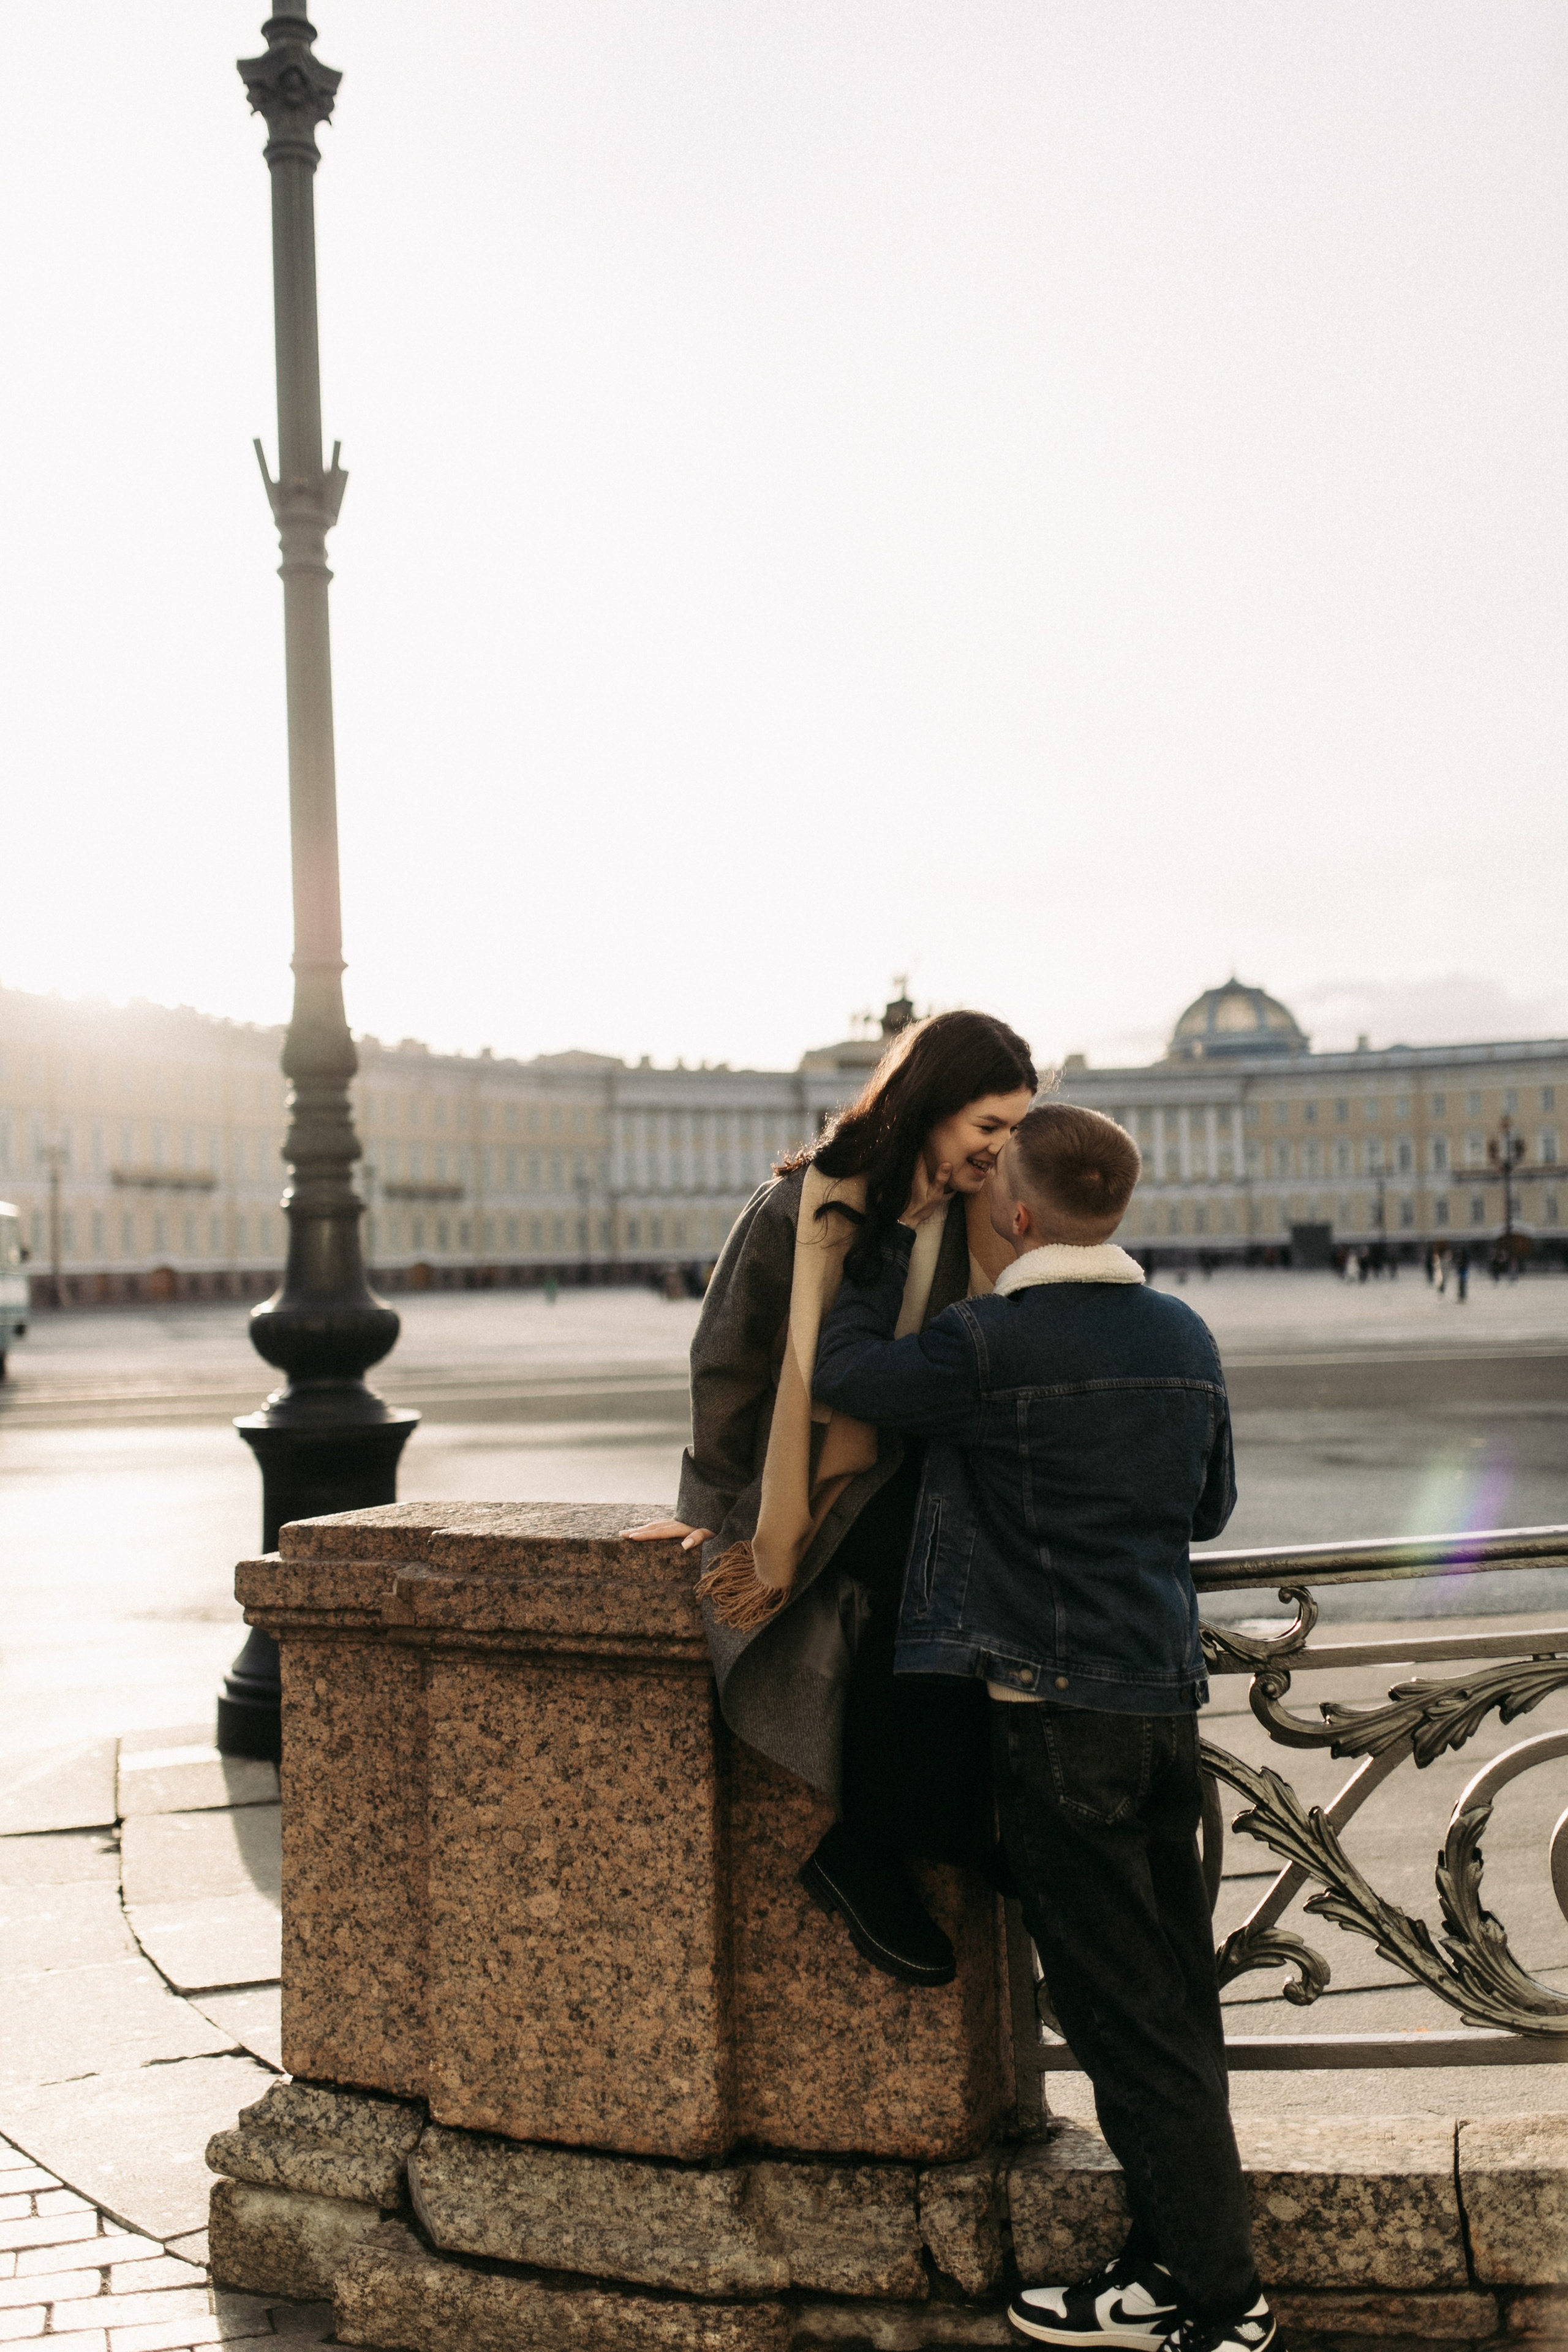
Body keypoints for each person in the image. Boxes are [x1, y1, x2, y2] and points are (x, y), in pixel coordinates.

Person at [812, 1101, 1272, 2352]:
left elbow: (845, 1373)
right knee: (1170, 2002)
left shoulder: (986, 1343)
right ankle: (1162, 2271)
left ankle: (1225, 2308)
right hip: (1158, 1707)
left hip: (1051, 1718)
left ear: (1014, 1213)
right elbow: (1210, 1507)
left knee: (1124, 2023)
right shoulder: (1182, 1332)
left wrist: (862, 1255)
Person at [624, 1009, 1038, 1988]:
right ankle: (894, 1845)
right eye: (989, 1126)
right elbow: (728, 1353)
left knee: (989, 1577)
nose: (1002, 1149)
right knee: (927, 1583)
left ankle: (942, 1831)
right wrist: (707, 1497)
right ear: (931, 1105)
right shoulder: (803, 1207)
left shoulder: (985, 1213)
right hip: (823, 1484)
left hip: (938, 1472)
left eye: (1017, 1130)